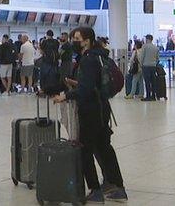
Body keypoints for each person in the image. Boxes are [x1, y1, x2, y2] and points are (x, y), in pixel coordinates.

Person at [53, 26, 128, 203]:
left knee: (85, 150)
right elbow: (92, 84)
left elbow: (85, 90)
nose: (74, 42)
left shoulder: (88, 60)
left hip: (90, 110)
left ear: (87, 40)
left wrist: (65, 95)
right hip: (103, 108)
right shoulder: (101, 56)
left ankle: (95, 191)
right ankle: (117, 187)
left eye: (77, 38)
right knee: (104, 148)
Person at [140, 34, 159, 101]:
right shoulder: (155, 47)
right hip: (153, 66)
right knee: (153, 81)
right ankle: (153, 96)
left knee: (147, 81)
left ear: (147, 39)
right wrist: (154, 63)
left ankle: (148, 96)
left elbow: (142, 56)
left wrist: (141, 64)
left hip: (146, 66)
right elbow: (157, 58)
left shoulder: (145, 46)